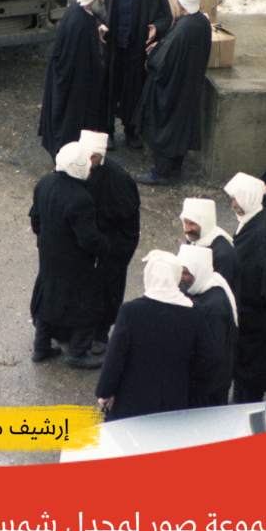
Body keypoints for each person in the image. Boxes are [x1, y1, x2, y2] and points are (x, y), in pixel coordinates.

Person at [95, 250, 220, 420]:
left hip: (131, 403)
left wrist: (105, 392)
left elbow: (115, 357)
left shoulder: (131, 311)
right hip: (174, 402)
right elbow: (209, 359)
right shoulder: (194, 312)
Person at [29, 142, 109, 369]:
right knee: (88, 304)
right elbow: (88, 239)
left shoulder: (44, 183)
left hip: (48, 254)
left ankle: (41, 347)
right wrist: (105, 246)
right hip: (75, 262)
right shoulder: (81, 198)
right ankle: (77, 351)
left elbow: (36, 220)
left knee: (47, 297)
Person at [133, 0, 211, 185]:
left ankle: (161, 173)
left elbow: (162, 61)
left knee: (163, 127)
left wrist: (151, 57)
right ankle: (175, 167)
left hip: (171, 88)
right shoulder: (202, 22)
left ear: (180, 1)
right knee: (180, 128)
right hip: (188, 86)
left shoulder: (183, 29)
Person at [224, 172, 266, 402]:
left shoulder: (260, 234)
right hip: (257, 318)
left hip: (255, 322)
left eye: (237, 199)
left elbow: (260, 285)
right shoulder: (258, 219)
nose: (233, 204)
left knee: (249, 379)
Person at [101, 0, 173, 151]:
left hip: (136, 53)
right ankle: (107, 132)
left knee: (134, 94)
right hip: (113, 52)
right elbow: (96, 13)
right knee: (108, 92)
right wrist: (100, 27)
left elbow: (166, 17)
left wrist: (156, 27)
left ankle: (131, 132)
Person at [79, 129, 141, 353]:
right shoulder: (78, 168)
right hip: (91, 240)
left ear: (101, 155)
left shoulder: (118, 178)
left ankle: (100, 333)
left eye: (93, 157)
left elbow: (125, 214)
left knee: (107, 290)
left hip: (113, 244)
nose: (88, 161)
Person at [38, 0, 107, 160]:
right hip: (76, 89)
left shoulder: (76, 12)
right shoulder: (80, 22)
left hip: (72, 84)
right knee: (71, 126)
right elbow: (80, 59)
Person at [177, 244, 237, 407]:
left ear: (199, 271)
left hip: (209, 389)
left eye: (186, 273)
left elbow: (213, 355)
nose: (181, 278)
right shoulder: (200, 289)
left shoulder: (214, 306)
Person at [179, 197, 240, 297]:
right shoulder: (195, 239)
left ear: (205, 223)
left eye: (192, 223)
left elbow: (219, 293)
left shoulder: (223, 254)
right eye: (185, 222)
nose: (187, 229)